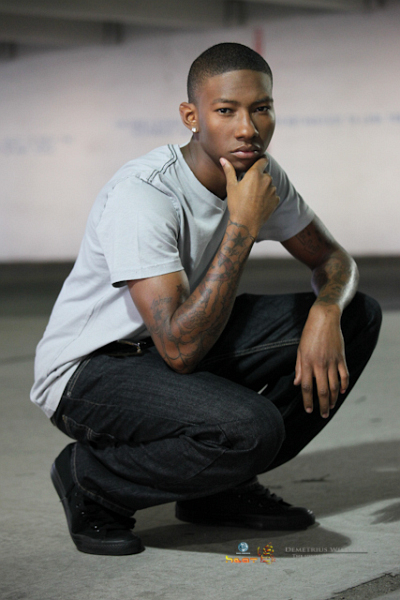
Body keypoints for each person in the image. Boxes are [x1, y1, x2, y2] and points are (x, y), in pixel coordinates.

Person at [31, 42, 382, 557]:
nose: (248, 129)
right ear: (191, 117)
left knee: (359, 316)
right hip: (91, 369)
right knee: (250, 429)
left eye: (261, 108)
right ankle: (91, 479)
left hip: (171, 342)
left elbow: (335, 261)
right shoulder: (144, 195)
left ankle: (217, 488)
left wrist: (326, 311)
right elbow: (180, 350)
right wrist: (243, 223)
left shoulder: (262, 174)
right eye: (226, 110)